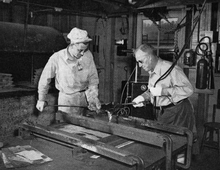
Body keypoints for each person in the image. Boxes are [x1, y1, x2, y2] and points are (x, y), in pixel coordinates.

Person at [36, 27, 101, 122]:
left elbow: (93, 78)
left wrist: (93, 97)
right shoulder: (57, 58)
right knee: (65, 128)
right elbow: (44, 79)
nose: (82, 53)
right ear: (72, 45)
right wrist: (41, 99)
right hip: (66, 100)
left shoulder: (88, 55)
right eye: (80, 50)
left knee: (83, 128)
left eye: (84, 50)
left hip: (83, 98)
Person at [132, 43, 197, 134]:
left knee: (178, 143)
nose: (139, 65)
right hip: (163, 111)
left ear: (149, 57)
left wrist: (164, 91)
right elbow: (153, 91)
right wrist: (143, 97)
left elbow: (188, 89)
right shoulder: (152, 70)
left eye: (140, 61)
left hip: (178, 111)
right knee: (163, 140)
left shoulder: (170, 69)